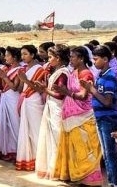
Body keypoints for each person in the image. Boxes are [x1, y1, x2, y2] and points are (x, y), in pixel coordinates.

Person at [53, 46, 103, 186]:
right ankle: (76, 175)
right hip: (72, 116)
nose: (70, 59)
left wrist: (66, 91)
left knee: (84, 148)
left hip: (83, 116)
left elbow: (83, 95)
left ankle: (88, 178)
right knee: (75, 147)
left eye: (73, 57)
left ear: (81, 58)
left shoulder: (86, 74)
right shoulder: (74, 72)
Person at [82, 45, 117, 187]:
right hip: (102, 118)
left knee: (111, 153)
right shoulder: (101, 75)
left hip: (108, 118)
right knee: (107, 153)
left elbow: (107, 101)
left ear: (105, 59)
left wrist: (91, 90)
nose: (94, 62)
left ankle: (116, 182)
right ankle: (112, 181)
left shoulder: (110, 77)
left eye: (96, 59)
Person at [35, 44, 70, 180]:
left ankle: (58, 169)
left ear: (58, 58)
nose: (48, 60)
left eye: (50, 57)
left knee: (56, 137)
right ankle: (53, 167)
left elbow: (60, 94)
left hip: (57, 107)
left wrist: (45, 89)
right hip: (52, 106)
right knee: (51, 137)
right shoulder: (58, 71)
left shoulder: (63, 73)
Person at [15, 44, 48, 171]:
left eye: (25, 54)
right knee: (26, 131)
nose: (23, 57)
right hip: (26, 100)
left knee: (36, 131)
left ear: (33, 55)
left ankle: (40, 161)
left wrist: (25, 80)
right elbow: (19, 88)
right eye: (22, 54)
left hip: (34, 101)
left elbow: (39, 89)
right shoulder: (24, 68)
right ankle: (29, 160)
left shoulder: (39, 69)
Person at [0, 46, 23, 162]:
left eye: (7, 55)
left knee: (15, 124)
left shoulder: (20, 69)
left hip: (13, 98)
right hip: (6, 97)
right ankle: (9, 151)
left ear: (14, 57)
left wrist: (4, 77)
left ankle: (18, 152)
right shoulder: (8, 68)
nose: (5, 57)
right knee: (5, 124)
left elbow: (14, 87)